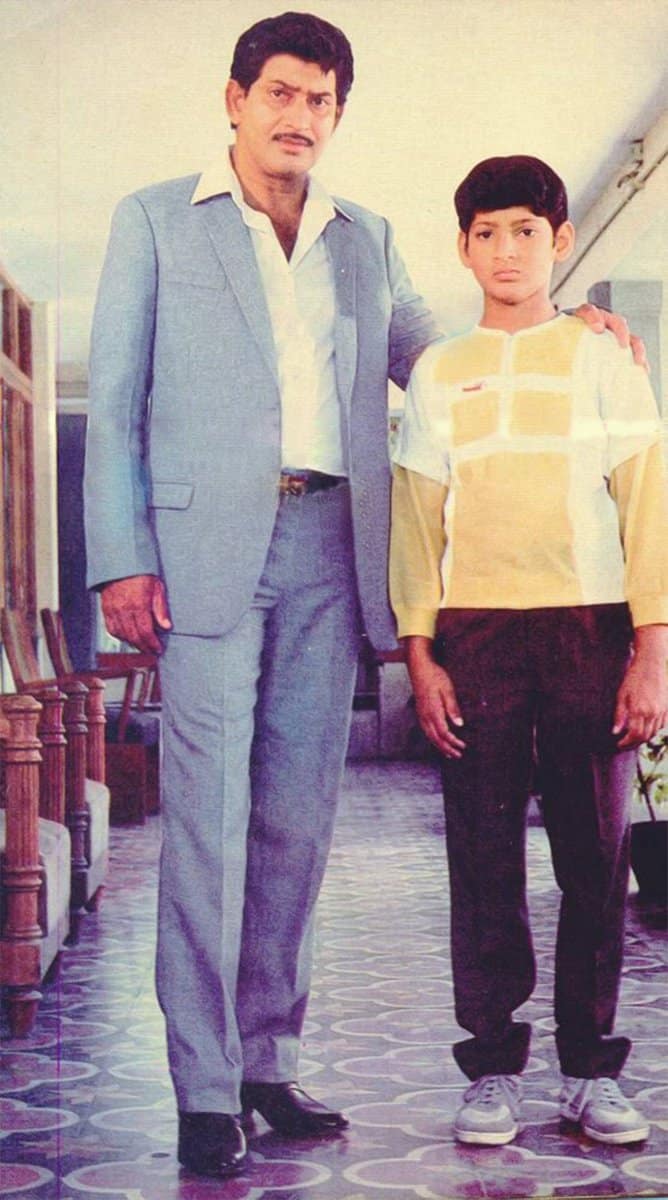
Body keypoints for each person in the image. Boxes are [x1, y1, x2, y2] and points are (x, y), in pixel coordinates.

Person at [84, 11, 643, 1177]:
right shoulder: (154, 220)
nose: (299, 117)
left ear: (336, 115)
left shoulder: (363, 238)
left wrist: (568, 331)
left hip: (328, 549)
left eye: (321, 101)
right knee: (207, 819)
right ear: (235, 100)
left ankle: (266, 1060)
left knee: (296, 821)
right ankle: (202, 1086)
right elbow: (120, 394)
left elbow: (445, 363)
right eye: (280, 94)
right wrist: (121, 556)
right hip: (200, 558)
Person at [390, 154, 668, 1150]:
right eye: (486, 233)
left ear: (558, 241)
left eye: (525, 231)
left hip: (589, 629)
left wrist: (651, 651)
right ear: (463, 248)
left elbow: (646, 509)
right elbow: (415, 523)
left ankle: (590, 1070)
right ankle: (492, 1070)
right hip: (474, 636)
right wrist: (420, 653)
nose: (505, 251)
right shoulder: (435, 371)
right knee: (481, 853)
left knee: (593, 856)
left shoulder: (605, 359)